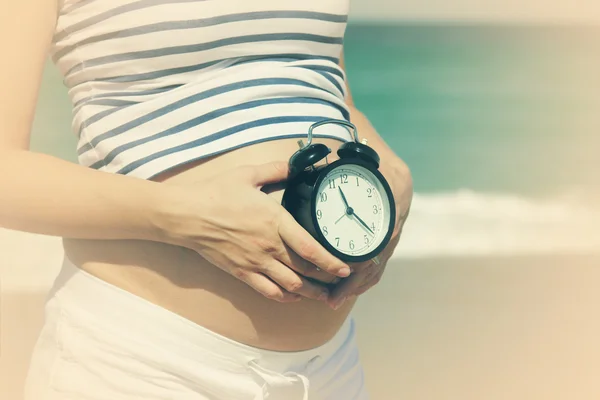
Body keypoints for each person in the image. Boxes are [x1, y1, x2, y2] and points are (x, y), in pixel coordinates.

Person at [1, 1, 413, 399]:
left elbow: (316, 83)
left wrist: (392, 170)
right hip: (141, 363)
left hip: (328, 368)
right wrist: (194, 220)